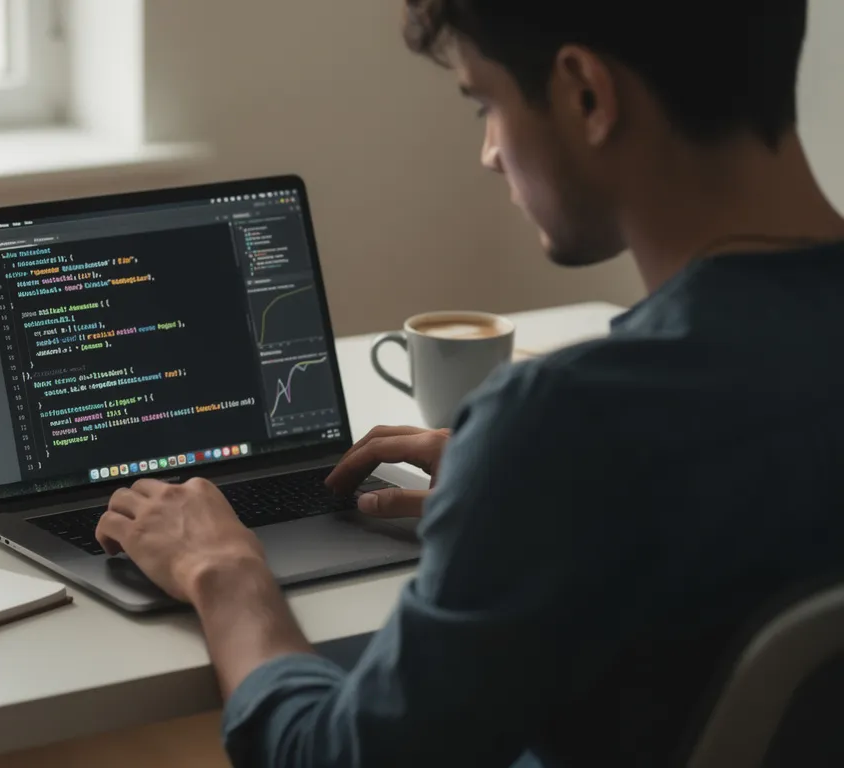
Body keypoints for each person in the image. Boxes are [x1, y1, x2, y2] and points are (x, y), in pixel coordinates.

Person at [95, 0, 844, 765]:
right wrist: (521, 489)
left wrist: (224, 573)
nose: (489, 153)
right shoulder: (579, 442)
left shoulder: (568, 421)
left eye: (486, 103)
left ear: (587, 95)